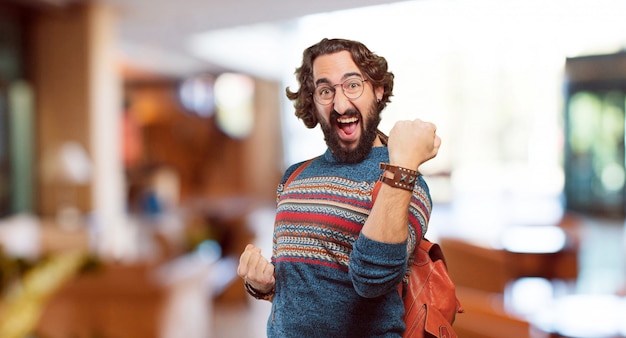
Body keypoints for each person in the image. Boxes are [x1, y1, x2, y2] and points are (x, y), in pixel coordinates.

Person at [237, 38, 441, 337]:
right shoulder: (295, 176)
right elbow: (306, 292)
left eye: (353, 85)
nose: (341, 103)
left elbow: (373, 279)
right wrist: (263, 285)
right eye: (325, 90)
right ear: (313, 101)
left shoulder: (405, 180)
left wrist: (404, 165)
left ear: (378, 90)